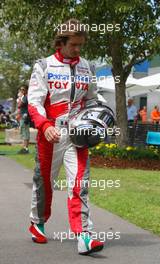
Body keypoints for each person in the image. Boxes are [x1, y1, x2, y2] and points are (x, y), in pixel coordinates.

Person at [27, 18, 104, 255]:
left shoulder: (88, 67)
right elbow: (34, 102)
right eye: (74, 44)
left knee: (79, 183)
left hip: (78, 134)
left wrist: (97, 116)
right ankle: (37, 222)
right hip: (51, 134)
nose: (78, 49)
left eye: (81, 45)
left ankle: (84, 236)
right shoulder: (44, 66)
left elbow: (92, 98)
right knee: (45, 182)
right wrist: (44, 125)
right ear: (61, 42)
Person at [17, 85, 30, 154]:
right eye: (21, 89)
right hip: (24, 116)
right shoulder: (25, 97)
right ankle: (25, 147)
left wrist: (19, 97)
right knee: (24, 131)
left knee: (25, 132)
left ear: (27, 90)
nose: (22, 91)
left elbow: (19, 105)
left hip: (25, 117)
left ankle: (25, 148)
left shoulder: (25, 97)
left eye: (23, 89)